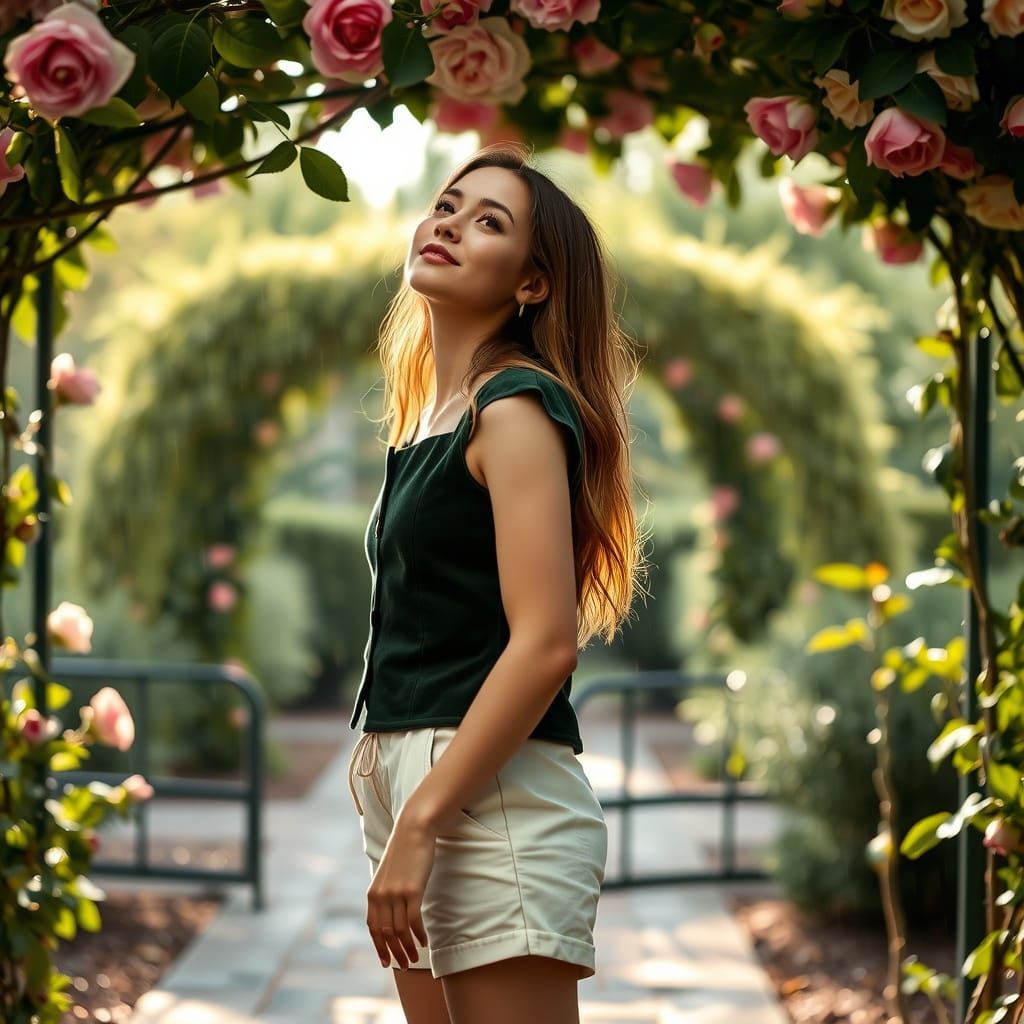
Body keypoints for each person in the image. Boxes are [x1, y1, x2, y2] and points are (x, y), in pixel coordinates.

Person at [346, 142, 645, 1024]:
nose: (449, 224)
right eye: (448, 205)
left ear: (532, 283)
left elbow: (546, 644)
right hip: (417, 783)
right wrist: (394, 796)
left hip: (488, 800)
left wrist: (421, 818)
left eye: (489, 221)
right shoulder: (430, 420)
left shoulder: (512, 408)